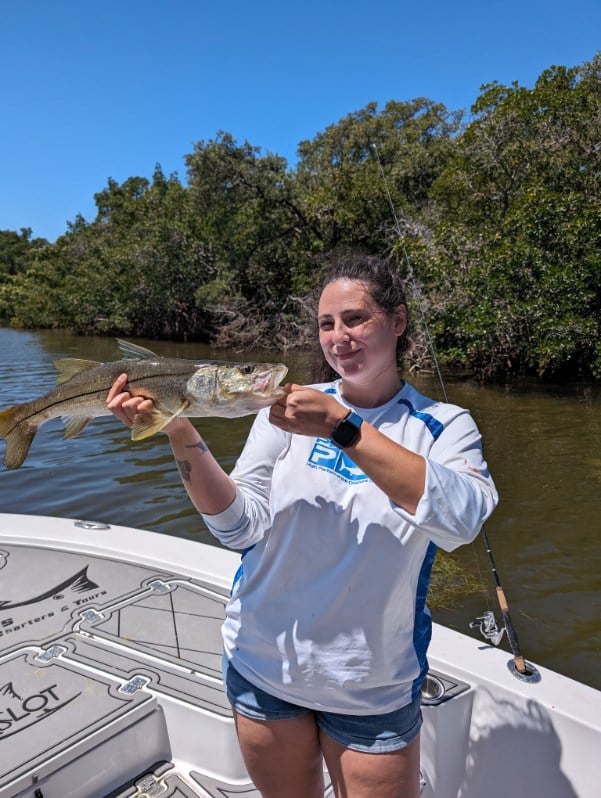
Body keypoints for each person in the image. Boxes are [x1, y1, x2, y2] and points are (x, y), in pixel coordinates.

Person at [106, 255, 498, 798]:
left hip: (371, 686)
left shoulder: (442, 425)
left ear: (399, 322)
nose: (339, 337)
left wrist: (342, 427)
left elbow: (463, 521)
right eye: (326, 324)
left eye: (356, 319)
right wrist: (178, 431)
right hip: (262, 665)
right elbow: (240, 528)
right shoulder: (283, 411)